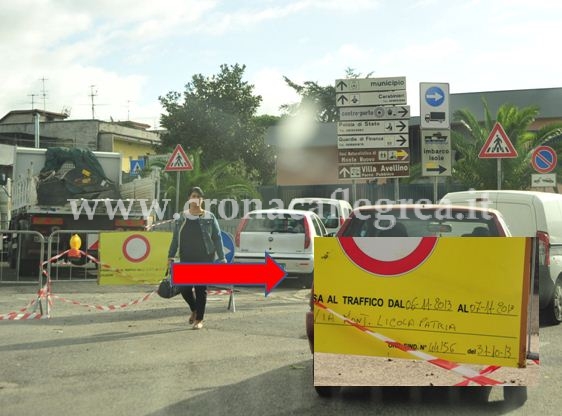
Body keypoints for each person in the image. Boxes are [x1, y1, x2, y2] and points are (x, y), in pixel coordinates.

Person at [167, 186, 226, 329]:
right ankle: (194, 309)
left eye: (199, 197)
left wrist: (222, 257)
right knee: (184, 288)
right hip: (186, 256)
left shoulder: (209, 217)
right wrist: (170, 256)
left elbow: (217, 238)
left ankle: (199, 319)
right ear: (189, 199)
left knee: (200, 289)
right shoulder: (181, 217)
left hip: (204, 257)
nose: (196, 199)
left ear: (202, 200)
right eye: (193, 196)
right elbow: (175, 238)